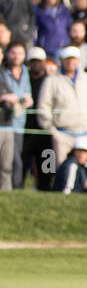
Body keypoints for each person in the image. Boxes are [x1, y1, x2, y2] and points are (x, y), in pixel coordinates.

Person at [36, 44, 87, 167]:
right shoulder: (51, 81)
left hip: (86, 134)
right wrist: (53, 131)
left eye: (73, 58)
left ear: (78, 60)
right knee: (63, 171)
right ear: (61, 60)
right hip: (63, 135)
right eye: (68, 59)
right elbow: (43, 107)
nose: (71, 62)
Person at [0, 39, 33, 189]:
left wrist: (26, 100)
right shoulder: (3, 72)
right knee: (12, 161)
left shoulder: (25, 71)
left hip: (18, 122)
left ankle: (14, 190)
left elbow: (27, 93)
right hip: (5, 122)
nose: (16, 56)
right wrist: (8, 98)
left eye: (20, 53)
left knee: (15, 159)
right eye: (13, 52)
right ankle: (14, 188)